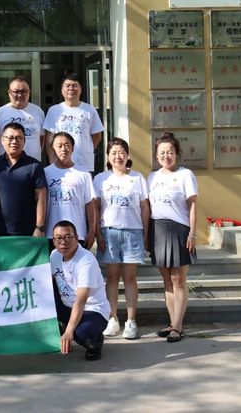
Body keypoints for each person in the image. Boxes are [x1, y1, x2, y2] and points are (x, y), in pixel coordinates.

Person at [93, 137, 150, 341]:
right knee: (111, 277)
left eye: (121, 152)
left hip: (132, 232)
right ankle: (113, 318)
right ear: (108, 156)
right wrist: (97, 233)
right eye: (114, 153)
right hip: (108, 232)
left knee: (130, 278)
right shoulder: (100, 179)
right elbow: (96, 208)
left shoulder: (137, 178)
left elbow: (144, 207)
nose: (118, 156)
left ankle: (131, 321)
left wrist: (145, 234)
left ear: (127, 155)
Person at [148, 132, 199, 343]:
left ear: (177, 153)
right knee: (166, 279)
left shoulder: (186, 175)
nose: (166, 156)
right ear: (156, 155)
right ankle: (172, 323)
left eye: (170, 152)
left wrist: (192, 233)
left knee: (178, 279)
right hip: (157, 229)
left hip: (179, 229)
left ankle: (178, 326)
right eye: (162, 152)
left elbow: (192, 206)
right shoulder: (152, 177)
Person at [51, 220, 110, 361]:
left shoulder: (86, 261)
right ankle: (64, 327)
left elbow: (81, 300)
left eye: (68, 237)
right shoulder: (54, 255)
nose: (63, 242)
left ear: (76, 238)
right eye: (59, 238)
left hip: (92, 309)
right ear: (53, 241)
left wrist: (69, 331)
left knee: (80, 333)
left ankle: (95, 342)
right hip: (66, 305)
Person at [0, 122, 47, 237]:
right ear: (2, 140)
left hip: (28, 231)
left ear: (24, 141)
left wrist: (39, 227)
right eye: (10, 138)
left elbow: (41, 198)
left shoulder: (34, 166)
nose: (14, 141)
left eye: (19, 138)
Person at [44, 132, 98, 249]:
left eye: (67, 145)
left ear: (73, 148)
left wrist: (92, 232)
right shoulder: (45, 173)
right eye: (59, 146)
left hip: (77, 234)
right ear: (53, 148)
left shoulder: (84, 174)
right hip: (51, 234)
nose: (63, 149)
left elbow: (90, 205)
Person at [44, 73, 104, 172]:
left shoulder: (89, 110)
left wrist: (86, 148)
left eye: (75, 85)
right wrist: (52, 161)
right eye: (67, 86)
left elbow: (97, 135)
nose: (71, 88)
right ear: (62, 90)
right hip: (60, 163)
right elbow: (49, 138)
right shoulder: (54, 110)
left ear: (81, 89)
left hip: (84, 164)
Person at [0, 76, 45, 161]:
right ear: (9, 93)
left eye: (24, 91)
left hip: (33, 163)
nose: (20, 95)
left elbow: (41, 137)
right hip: (8, 163)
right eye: (16, 92)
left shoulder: (38, 111)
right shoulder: (0, 113)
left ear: (29, 92)